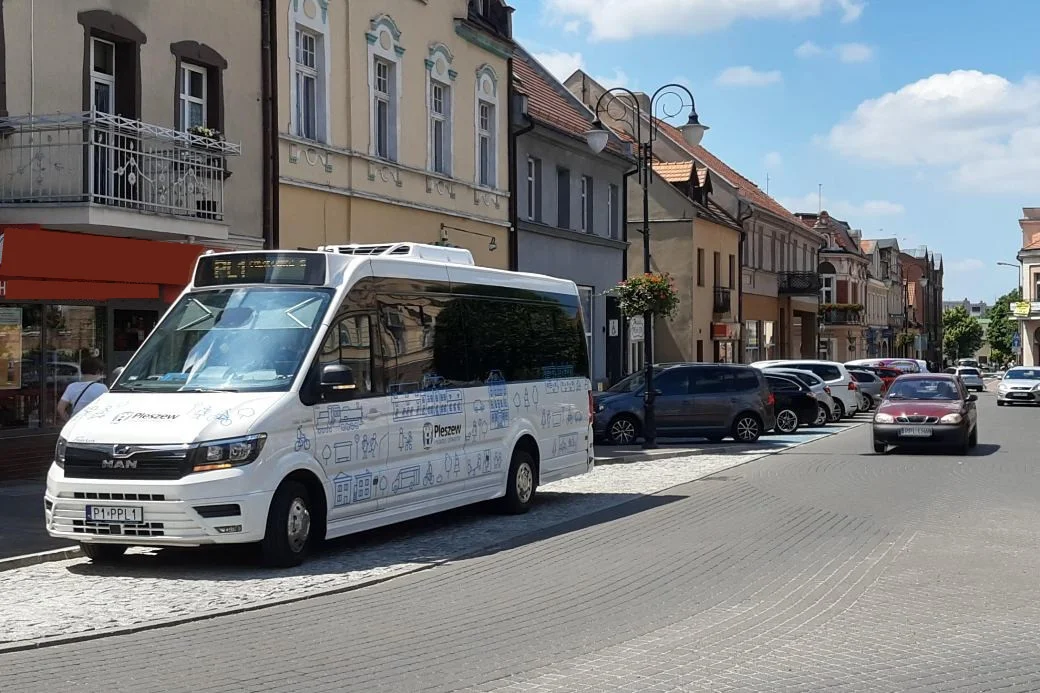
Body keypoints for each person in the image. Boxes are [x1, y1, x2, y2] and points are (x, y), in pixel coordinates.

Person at [56, 358, 108, 422]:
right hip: (93, 423)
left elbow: (60, 408)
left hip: (75, 424)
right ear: (98, 371)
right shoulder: (102, 388)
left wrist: (69, 422)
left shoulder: (72, 386)